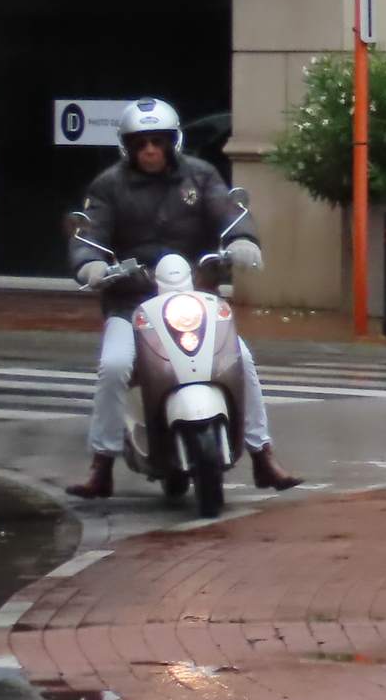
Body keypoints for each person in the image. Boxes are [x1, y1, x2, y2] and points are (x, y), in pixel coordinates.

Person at [66, 99, 301, 499]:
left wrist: (243, 239)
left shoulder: (200, 175)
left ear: (174, 142)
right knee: (115, 365)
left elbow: (229, 211)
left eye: (159, 141)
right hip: (133, 301)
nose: (151, 150)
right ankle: (101, 464)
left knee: (240, 360)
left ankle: (263, 456)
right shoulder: (108, 186)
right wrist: (90, 264)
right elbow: (91, 234)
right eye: (141, 143)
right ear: (127, 146)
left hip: (195, 298)